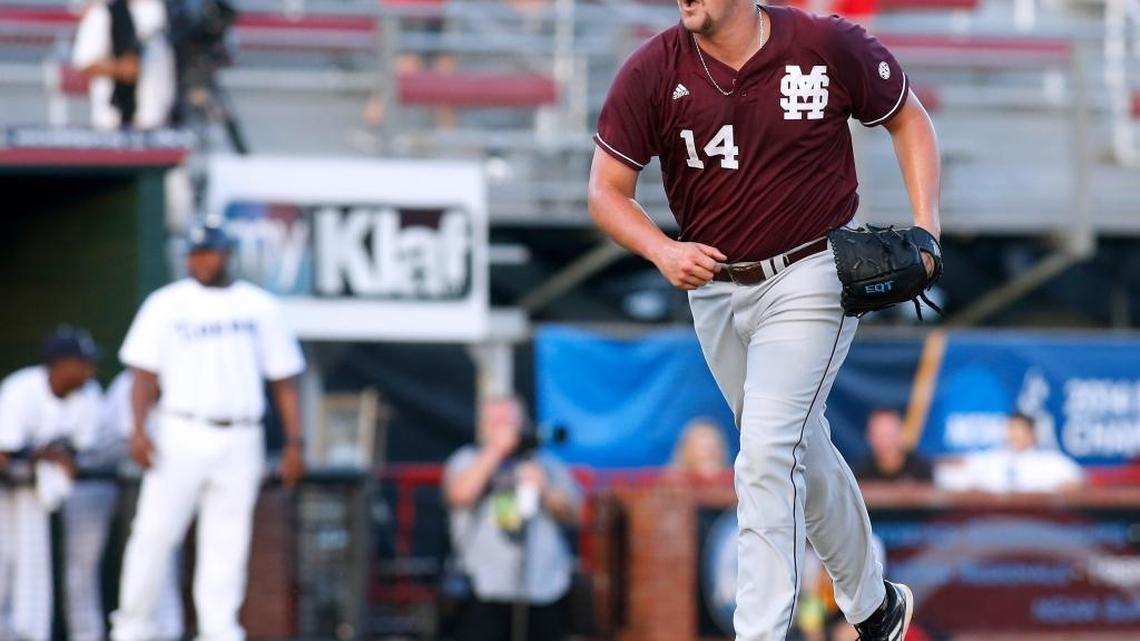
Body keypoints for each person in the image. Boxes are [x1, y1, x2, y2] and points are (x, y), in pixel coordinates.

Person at [587, 1, 942, 639]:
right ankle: (873, 605)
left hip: (810, 273)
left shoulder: (823, 43)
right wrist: (661, 249)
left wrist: (927, 231)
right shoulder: (652, 69)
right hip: (714, 287)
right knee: (798, 446)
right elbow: (605, 189)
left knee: (763, 457)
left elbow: (909, 120)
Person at [110, 222, 306, 641]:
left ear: (227, 254)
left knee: (228, 541)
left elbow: (285, 378)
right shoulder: (166, 304)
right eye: (195, 253)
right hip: (181, 428)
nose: (201, 260)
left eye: (209, 252)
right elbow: (142, 374)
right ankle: (132, 627)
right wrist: (138, 431)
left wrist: (294, 442)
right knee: (154, 534)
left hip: (241, 432)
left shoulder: (259, 306)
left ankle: (219, 630)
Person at [442, 396, 583, 641]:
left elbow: (575, 512)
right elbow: (459, 494)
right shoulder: (467, 459)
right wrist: (496, 451)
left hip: (542, 588)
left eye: (509, 421)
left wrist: (544, 490)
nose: (505, 428)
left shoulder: (546, 465)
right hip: (485, 589)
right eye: (497, 422)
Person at [64, 370, 185, 641]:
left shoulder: (184, 382)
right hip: (92, 476)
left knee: (157, 547)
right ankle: (85, 635)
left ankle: (163, 630)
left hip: (138, 479)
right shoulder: (130, 383)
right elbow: (133, 443)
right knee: (83, 561)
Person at [0, 325, 102, 641]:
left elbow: (77, 452)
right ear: (60, 364)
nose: (89, 369)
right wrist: (46, 457)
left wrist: (51, 460)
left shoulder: (89, 395)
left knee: (33, 566)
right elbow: (4, 454)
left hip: (33, 489)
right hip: (6, 487)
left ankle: (28, 634)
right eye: (81, 362)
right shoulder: (21, 388)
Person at [71, 0, 176, 130]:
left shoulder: (170, 10)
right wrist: (120, 68)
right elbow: (84, 62)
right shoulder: (105, 12)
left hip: (162, 121)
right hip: (117, 122)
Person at [936, 412, 1084, 493]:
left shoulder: (1051, 462)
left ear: (1032, 434)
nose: (1014, 435)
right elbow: (960, 467)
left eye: (1019, 430)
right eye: (1011, 430)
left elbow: (1076, 481)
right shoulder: (992, 459)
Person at [854, 408, 933, 483]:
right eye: (879, 436)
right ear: (869, 437)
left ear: (901, 434)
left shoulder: (921, 469)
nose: (885, 442)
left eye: (889, 435)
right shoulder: (860, 472)